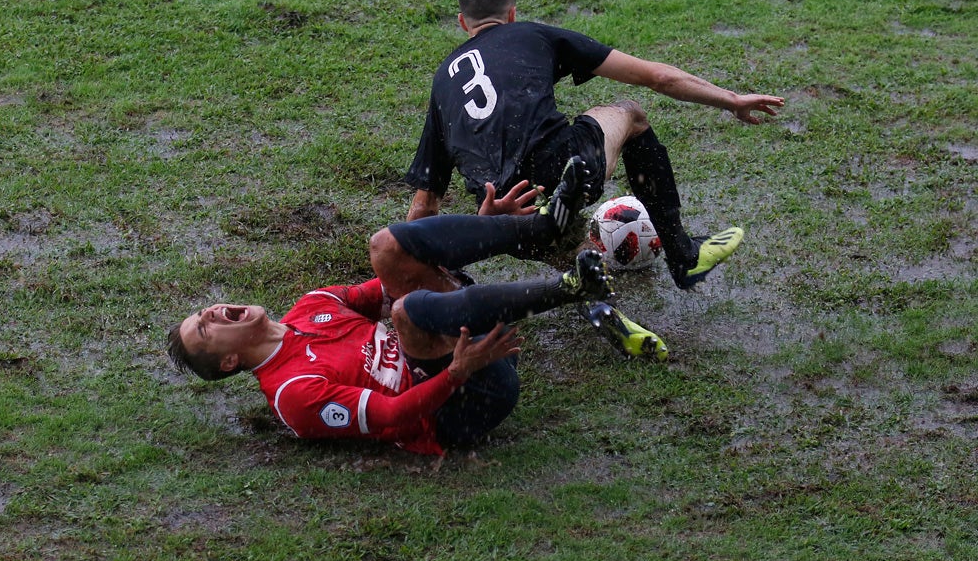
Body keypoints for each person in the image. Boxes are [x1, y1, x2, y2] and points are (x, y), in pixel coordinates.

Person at [166, 164, 665, 455]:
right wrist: (456, 373)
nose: (210, 312)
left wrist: (476, 229)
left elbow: (402, 269)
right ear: (230, 362)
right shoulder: (293, 395)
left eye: (203, 312)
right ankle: (569, 288)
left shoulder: (311, 307)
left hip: (460, 341)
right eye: (205, 330)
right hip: (463, 404)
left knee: (386, 248)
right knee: (406, 314)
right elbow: (389, 416)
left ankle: (539, 230)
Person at [404, 0, 786, 289]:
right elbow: (657, 77)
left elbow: (424, 205)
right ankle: (683, 254)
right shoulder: (533, 34)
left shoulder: (442, 82)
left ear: (461, 23)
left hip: (502, 213)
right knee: (631, 113)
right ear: (512, 14)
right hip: (564, 167)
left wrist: (416, 275)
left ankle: (580, 274)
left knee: (550, 232)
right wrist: (732, 99)